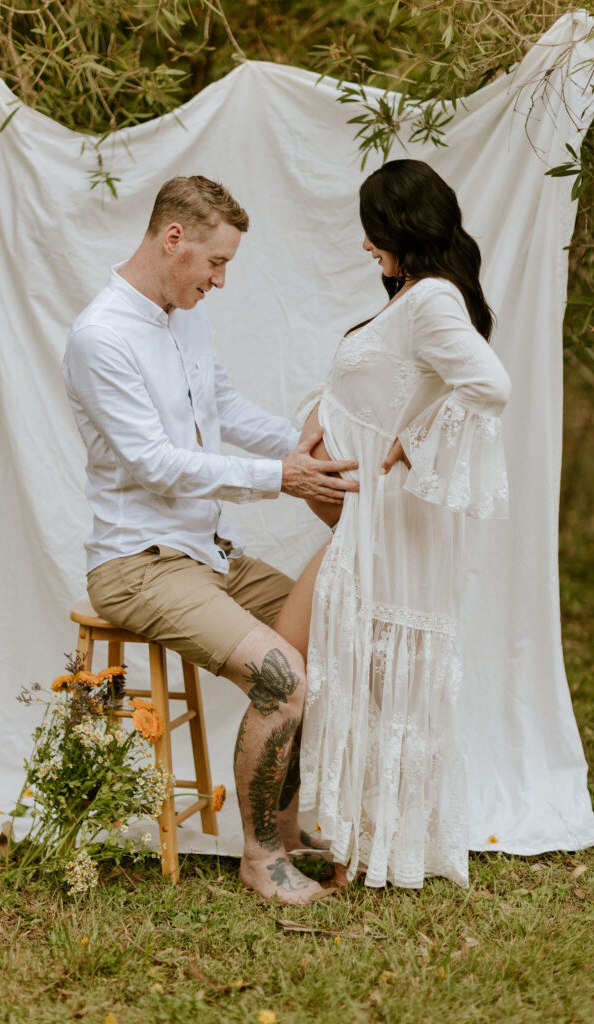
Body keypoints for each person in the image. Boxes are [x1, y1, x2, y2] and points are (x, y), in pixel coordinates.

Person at [62, 175, 359, 903]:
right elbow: (155, 465)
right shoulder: (100, 337)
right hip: (139, 567)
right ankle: (259, 860)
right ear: (173, 239)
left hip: (209, 553)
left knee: (332, 631)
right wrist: (279, 477)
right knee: (279, 678)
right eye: (215, 262)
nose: (220, 281)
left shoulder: (183, 313)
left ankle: (288, 838)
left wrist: (305, 444)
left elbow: (221, 405)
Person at [274, 159, 511, 888]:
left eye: (371, 229)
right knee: (336, 673)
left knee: (305, 665)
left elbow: (488, 384)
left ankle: (342, 848)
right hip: (367, 527)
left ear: (396, 227)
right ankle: (337, 842)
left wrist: (415, 439)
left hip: (388, 528)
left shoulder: (431, 297)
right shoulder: (410, 298)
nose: (364, 245)